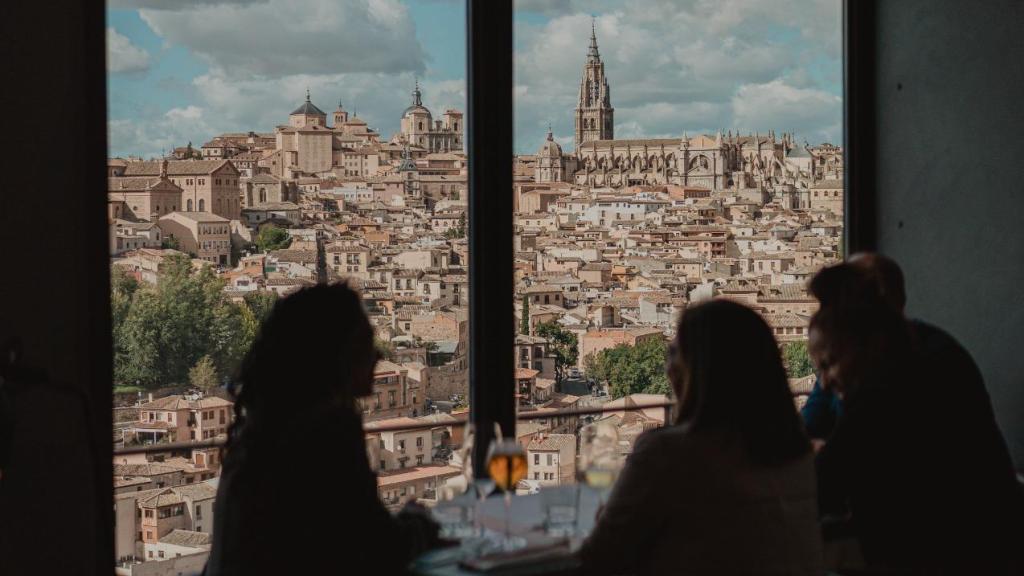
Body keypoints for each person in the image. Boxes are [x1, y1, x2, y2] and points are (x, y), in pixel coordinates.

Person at [205, 284, 440, 576]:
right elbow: (379, 548)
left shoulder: (262, 428)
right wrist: (419, 523)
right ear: (335, 354)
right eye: (365, 342)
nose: (377, 355)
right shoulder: (325, 430)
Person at [577, 299, 823, 576]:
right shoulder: (796, 451)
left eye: (672, 353)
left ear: (691, 371)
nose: (667, 367)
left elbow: (599, 557)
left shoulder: (666, 454)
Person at [808, 258, 1023, 573]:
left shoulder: (887, 392)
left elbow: (825, 483)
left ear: (868, 343)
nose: (825, 382)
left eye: (829, 364)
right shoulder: (918, 359)